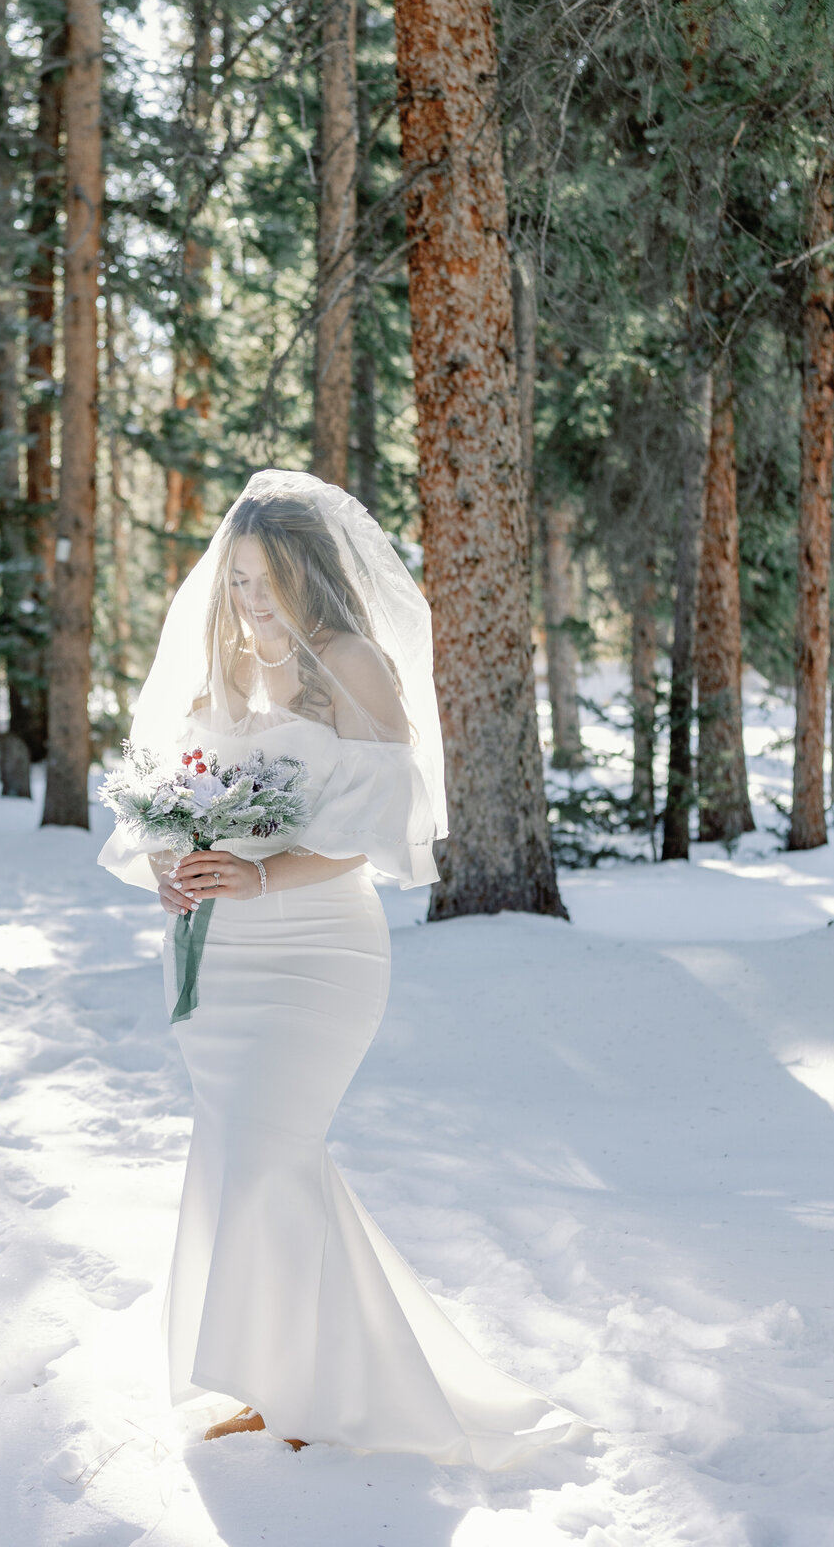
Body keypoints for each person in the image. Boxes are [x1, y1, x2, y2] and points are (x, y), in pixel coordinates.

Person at [99, 470, 585, 1465]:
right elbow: (171, 804)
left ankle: (320, 1393)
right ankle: (284, 1385)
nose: (248, 603)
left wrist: (259, 871)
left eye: (266, 582)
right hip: (216, 960)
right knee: (247, 1160)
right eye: (235, 581)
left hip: (317, 951)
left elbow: (377, 830)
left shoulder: (353, 667)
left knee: (272, 1153)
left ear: (309, 577)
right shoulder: (217, 679)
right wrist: (175, 868)